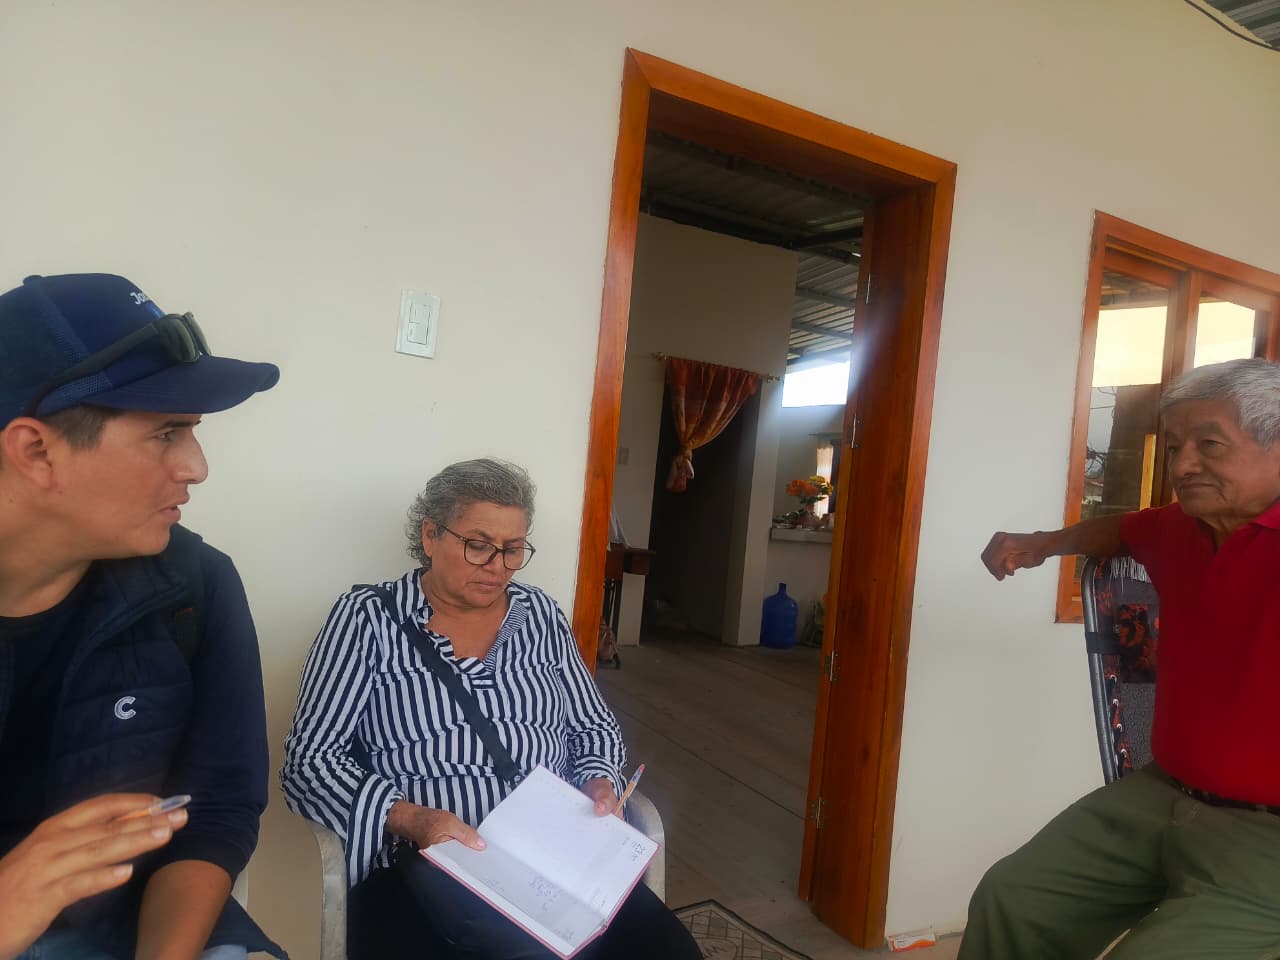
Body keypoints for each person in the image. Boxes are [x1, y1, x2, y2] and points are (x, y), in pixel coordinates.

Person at [282, 458, 700, 960]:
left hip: (554, 866)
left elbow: (593, 727)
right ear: (431, 534)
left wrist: (598, 781)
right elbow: (310, 763)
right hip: (427, 871)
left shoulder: (540, 616)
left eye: (513, 549)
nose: (498, 566)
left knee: (672, 952)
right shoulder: (366, 620)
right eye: (478, 545)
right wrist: (413, 819)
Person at [0, 274, 284, 960]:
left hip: (139, 928)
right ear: (36, 450)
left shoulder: (194, 587)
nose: (196, 467)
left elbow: (213, 808)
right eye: (166, 432)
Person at [963, 357, 1280, 959]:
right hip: (1161, 793)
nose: (1182, 466)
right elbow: (1121, 530)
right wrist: (1044, 543)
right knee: (1014, 899)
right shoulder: (1181, 528)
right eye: (1175, 447)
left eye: (1209, 444)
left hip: (1269, 835)